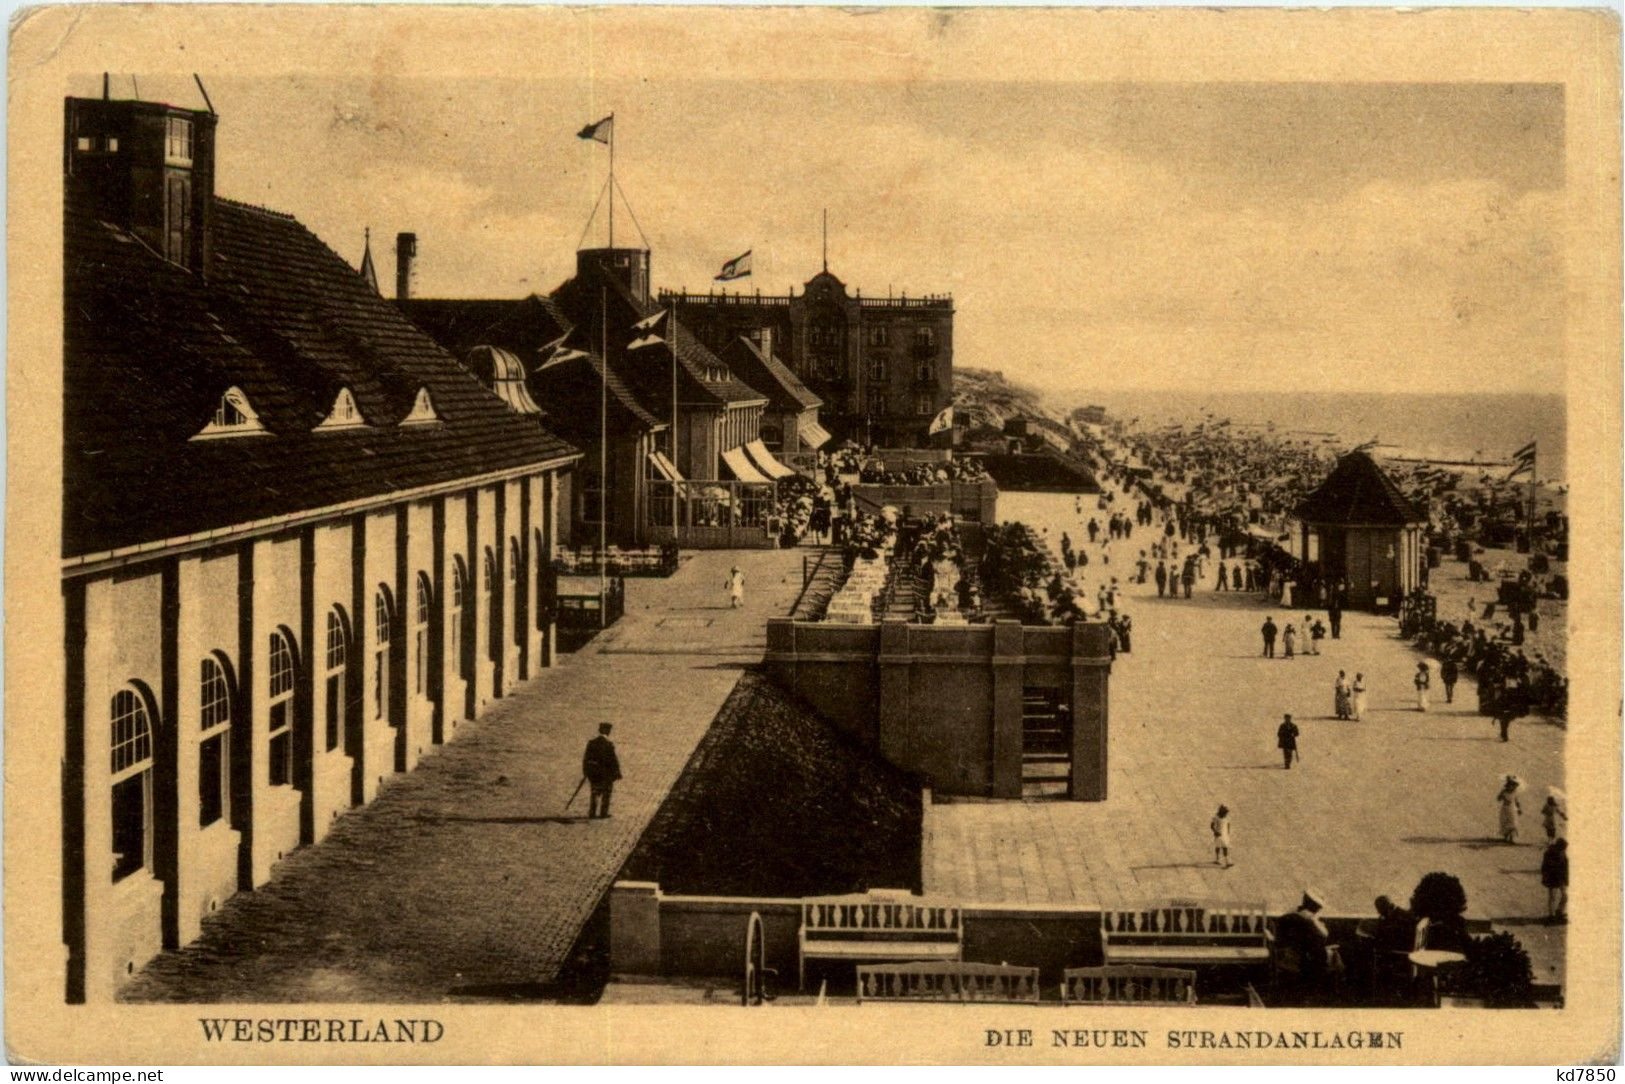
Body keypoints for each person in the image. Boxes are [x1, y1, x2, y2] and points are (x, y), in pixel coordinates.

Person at [582, 722, 622, 819]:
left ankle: (592, 813)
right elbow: (613, 760)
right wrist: (617, 773)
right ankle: (603, 813)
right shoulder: (609, 744)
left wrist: (586, 772)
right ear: (607, 732)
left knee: (595, 793)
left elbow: (586, 759)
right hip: (606, 775)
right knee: (606, 794)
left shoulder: (591, 743)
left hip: (594, 773)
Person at [1541, 839, 1568, 923]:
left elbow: (1565, 865)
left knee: (1565, 896)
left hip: (1561, 878)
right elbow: (1545, 867)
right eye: (1563, 848)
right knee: (1552, 897)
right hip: (1552, 878)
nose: (1564, 850)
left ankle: (1559, 911)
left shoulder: (1562, 852)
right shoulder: (1549, 853)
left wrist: (1566, 878)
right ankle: (1551, 916)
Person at [1497, 775, 1523, 843]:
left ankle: (1511, 838)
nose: (1511, 787)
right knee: (1505, 822)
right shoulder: (1504, 792)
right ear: (1507, 785)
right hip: (1505, 809)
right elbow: (1498, 799)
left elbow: (1517, 801)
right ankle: (1505, 837)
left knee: (1513, 822)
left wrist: (1519, 809)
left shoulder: (1515, 793)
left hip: (1512, 809)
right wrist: (1502, 796)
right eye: (1510, 785)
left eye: (1513, 785)